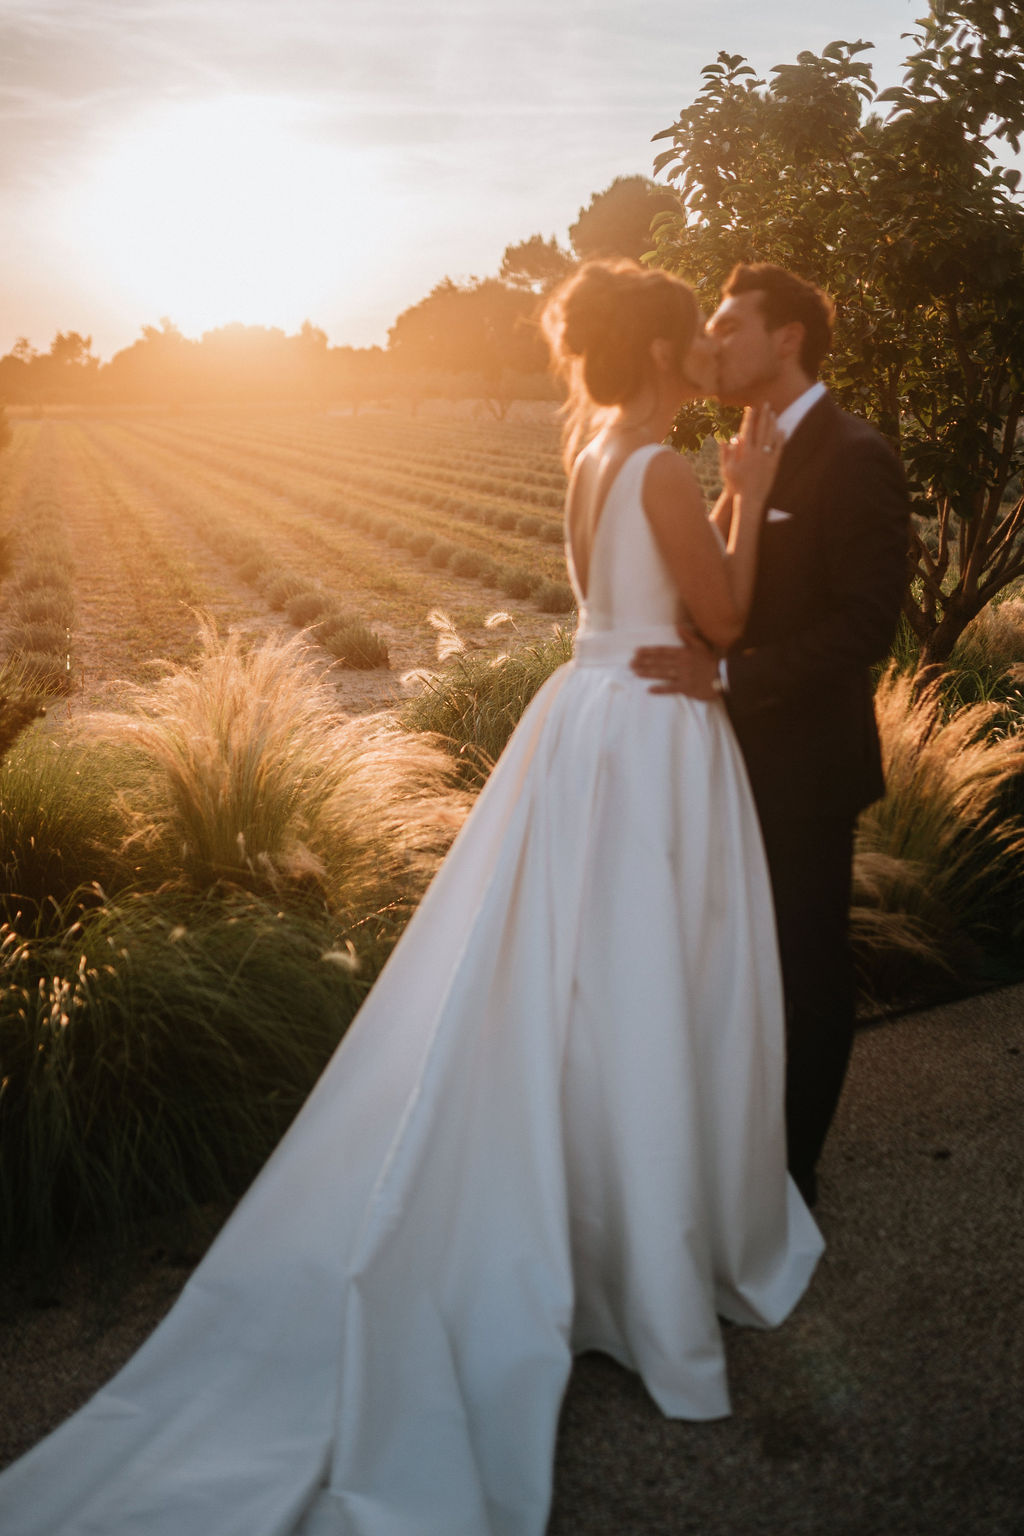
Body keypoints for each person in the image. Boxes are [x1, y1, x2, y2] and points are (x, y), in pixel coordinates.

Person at [0, 260, 822, 1536]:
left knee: (580, 977)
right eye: (694, 335)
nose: (712, 352)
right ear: (664, 351)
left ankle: (598, 1227)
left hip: (586, 723)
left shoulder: (591, 449)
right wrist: (748, 494)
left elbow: (626, 608)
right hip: (652, 736)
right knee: (648, 976)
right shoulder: (665, 467)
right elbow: (716, 618)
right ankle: (642, 1249)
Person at [633, 263, 911, 1208]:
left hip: (804, 765)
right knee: (728, 962)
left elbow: (866, 623)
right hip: (715, 755)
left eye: (729, 325)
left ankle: (792, 1179)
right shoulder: (739, 452)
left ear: (786, 337)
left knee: (805, 967)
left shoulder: (855, 454)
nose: (713, 343)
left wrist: (730, 679)